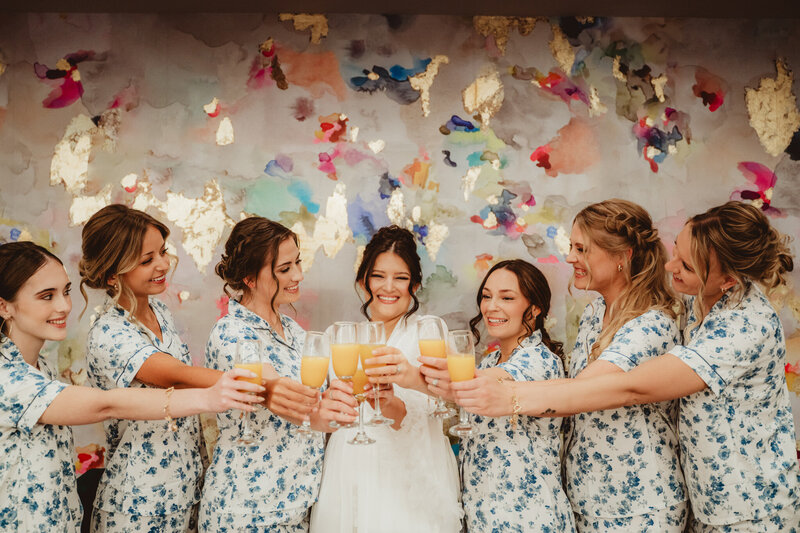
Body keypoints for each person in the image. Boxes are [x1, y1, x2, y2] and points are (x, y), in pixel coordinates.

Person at [452, 201, 800, 532]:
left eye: (686, 265)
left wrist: (509, 397)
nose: (669, 265)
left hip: (749, 506)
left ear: (729, 281)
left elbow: (627, 387)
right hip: (675, 500)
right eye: (676, 250)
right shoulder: (686, 305)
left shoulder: (740, 327)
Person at [0, 241, 263, 532]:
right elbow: (106, 403)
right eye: (46, 296)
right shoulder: (6, 377)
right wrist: (212, 396)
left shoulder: (40, 368)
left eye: (65, 292)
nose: (64, 306)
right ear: (4, 305)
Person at [79, 204, 255, 532]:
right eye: (147, 260)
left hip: (186, 487)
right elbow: (177, 376)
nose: (163, 264)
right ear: (111, 274)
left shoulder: (158, 309)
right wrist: (260, 383)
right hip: (139, 505)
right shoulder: (109, 332)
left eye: (162, 252)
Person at [199, 216, 356, 532]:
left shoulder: (296, 333)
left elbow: (331, 390)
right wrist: (316, 414)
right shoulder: (231, 333)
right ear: (250, 278)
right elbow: (273, 385)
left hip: (299, 510)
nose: (298, 274)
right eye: (285, 269)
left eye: (297, 263)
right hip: (247, 512)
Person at [311, 225, 462, 533]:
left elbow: (445, 406)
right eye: (378, 275)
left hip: (408, 474)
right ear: (363, 280)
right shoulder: (339, 337)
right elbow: (316, 413)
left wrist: (393, 403)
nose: (388, 287)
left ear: (415, 284)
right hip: (349, 468)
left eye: (401, 277)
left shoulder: (430, 332)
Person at [422, 259, 576, 532]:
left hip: (528, 517)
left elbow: (466, 384)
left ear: (535, 308)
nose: (491, 306)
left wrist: (404, 373)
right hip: (485, 514)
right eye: (486, 296)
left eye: (507, 297)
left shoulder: (540, 361)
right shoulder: (489, 360)